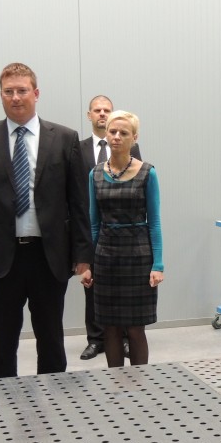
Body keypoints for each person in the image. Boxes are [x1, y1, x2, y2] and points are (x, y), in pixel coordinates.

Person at [0, 62, 92, 379]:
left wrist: (83, 254)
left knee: (51, 338)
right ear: (1, 95)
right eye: (9, 91)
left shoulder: (64, 138)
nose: (15, 97)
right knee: (1, 342)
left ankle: (55, 401)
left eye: (22, 90)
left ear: (36, 93)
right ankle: (3, 403)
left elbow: (78, 202)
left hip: (49, 257)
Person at [83, 111, 163, 368]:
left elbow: (155, 222)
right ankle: (114, 385)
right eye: (112, 132)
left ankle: (140, 386)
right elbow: (93, 224)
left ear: (134, 138)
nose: (116, 137)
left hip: (138, 257)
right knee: (110, 327)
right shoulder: (95, 174)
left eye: (123, 133)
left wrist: (158, 264)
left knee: (136, 327)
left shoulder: (147, 173)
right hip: (106, 258)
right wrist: (88, 264)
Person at [79, 95, 143, 361]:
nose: (102, 114)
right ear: (90, 115)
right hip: (93, 227)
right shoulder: (79, 149)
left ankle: (125, 340)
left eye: (107, 110)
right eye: (97, 110)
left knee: (128, 301)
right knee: (93, 291)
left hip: (129, 239)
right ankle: (95, 340)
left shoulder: (134, 153)